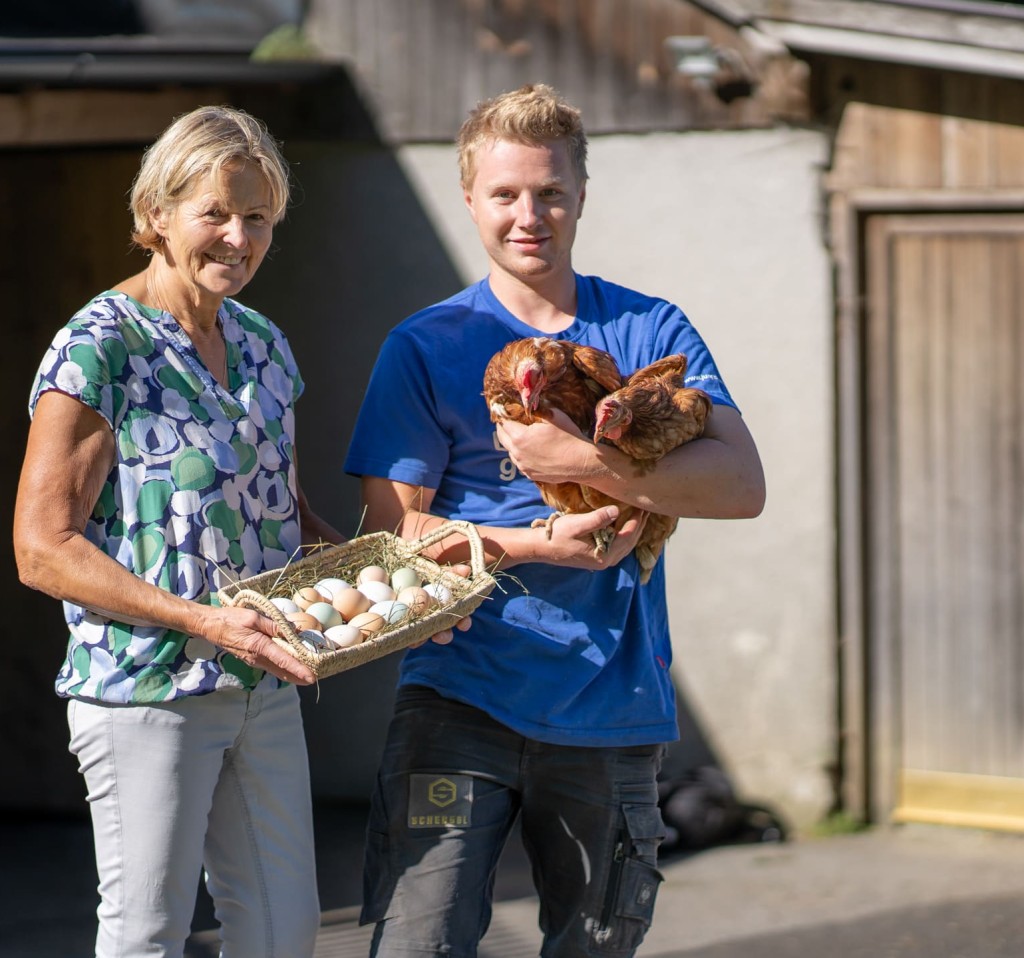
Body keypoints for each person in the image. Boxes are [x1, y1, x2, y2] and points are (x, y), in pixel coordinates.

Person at [12, 105, 462, 958]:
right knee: (147, 934)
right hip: (144, 689)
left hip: (262, 684)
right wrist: (203, 620)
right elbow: (41, 550)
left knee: (282, 935)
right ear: (156, 216)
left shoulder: (262, 345)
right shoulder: (96, 349)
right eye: (214, 212)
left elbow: (276, 513)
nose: (238, 237)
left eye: (256, 217)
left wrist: (393, 581)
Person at [343, 83, 766, 958]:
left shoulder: (648, 328)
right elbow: (387, 543)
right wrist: (540, 544)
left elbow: (740, 485)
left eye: (550, 192)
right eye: (505, 194)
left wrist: (576, 462)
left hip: (610, 703)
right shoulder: (427, 345)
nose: (528, 214)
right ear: (470, 199)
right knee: (416, 947)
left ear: (580, 194)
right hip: (457, 695)